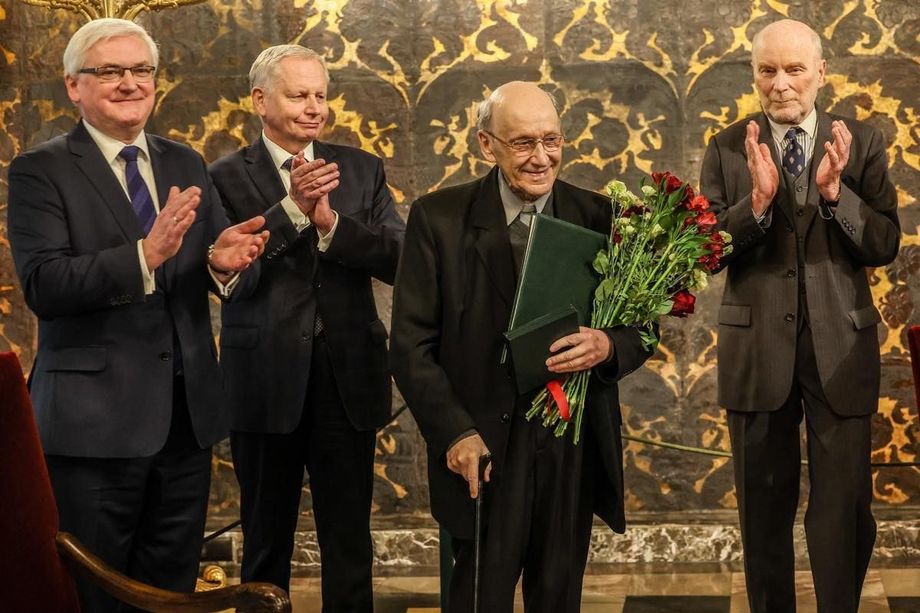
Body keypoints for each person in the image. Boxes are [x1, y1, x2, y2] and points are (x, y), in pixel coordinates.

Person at [7, 18, 268, 612]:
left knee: (170, 593)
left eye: (141, 70)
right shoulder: (40, 169)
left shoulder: (185, 161)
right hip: (93, 428)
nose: (130, 83)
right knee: (94, 596)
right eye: (110, 71)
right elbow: (44, 285)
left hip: (186, 423)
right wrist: (142, 257)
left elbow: (209, 263)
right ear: (73, 86)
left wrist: (221, 264)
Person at [389, 81, 653, 612]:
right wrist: (456, 432)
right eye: (523, 143)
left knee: (558, 599)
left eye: (551, 141)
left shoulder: (601, 217)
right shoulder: (438, 219)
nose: (541, 157)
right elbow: (411, 345)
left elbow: (643, 331)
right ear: (487, 145)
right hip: (481, 450)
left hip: (570, 451)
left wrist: (606, 345)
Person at [700, 18, 900, 613]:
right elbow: (706, 251)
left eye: (793, 69)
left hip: (842, 348)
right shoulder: (726, 146)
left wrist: (837, 195)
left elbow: (885, 243)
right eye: (767, 71)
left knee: (843, 509)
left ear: (820, 72)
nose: (780, 84)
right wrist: (757, 204)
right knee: (762, 508)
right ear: (753, 75)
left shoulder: (861, 141)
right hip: (756, 349)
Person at [209, 45, 405, 610]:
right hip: (264, 378)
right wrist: (293, 212)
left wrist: (332, 225)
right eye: (299, 95)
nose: (314, 107)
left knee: (349, 539)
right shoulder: (222, 176)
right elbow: (233, 279)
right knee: (265, 539)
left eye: (320, 94)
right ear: (260, 100)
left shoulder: (361, 168)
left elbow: (399, 260)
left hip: (348, 377)